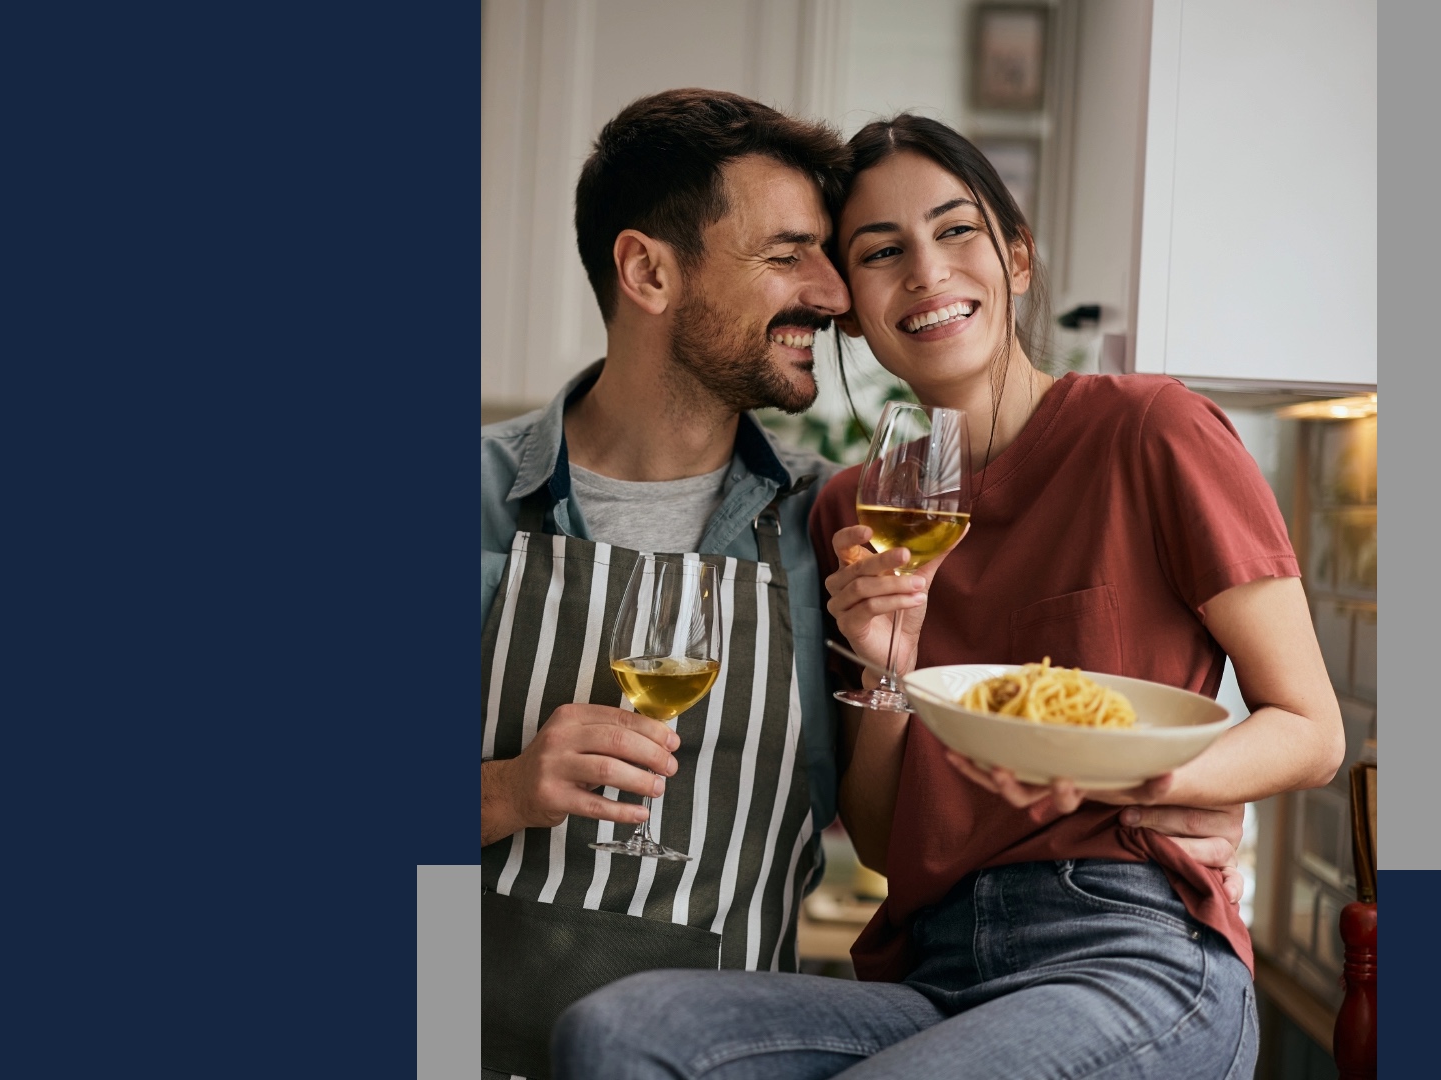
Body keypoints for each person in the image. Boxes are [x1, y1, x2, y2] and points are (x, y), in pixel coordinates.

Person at [549, 114, 1344, 1080]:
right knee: (618, 1035)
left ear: (1016, 256)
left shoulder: (1152, 431)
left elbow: (1311, 730)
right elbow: (886, 841)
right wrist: (884, 673)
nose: (925, 272)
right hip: (931, 968)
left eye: (955, 230)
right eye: (881, 252)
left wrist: (1148, 782)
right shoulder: (853, 509)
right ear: (850, 305)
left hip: (1127, 951)